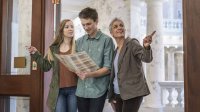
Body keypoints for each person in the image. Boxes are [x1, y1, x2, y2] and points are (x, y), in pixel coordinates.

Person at [26, 19, 77, 112]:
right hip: (58, 91)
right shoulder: (53, 49)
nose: (70, 29)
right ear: (61, 30)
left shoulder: (78, 46)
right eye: (67, 27)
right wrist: (35, 53)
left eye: (72, 26)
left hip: (75, 90)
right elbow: (46, 66)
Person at [107, 18, 155, 112]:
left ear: (124, 30)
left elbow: (146, 58)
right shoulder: (115, 51)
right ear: (112, 33)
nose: (119, 28)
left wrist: (146, 46)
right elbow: (115, 75)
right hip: (117, 93)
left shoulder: (132, 43)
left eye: (121, 25)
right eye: (115, 26)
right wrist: (111, 95)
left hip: (133, 92)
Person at [75, 7, 114, 112]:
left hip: (98, 90)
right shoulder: (78, 42)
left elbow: (108, 68)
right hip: (81, 90)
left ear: (96, 21)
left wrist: (88, 75)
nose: (86, 27)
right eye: (83, 25)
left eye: (88, 24)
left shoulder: (107, 41)